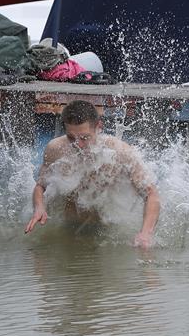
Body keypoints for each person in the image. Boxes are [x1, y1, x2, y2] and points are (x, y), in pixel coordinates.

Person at [24, 100, 161, 248]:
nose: (78, 145)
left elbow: (151, 194)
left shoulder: (120, 152)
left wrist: (145, 233)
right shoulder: (55, 148)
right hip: (69, 227)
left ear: (98, 127)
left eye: (84, 138)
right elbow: (40, 186)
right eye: (71, 138)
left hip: (108, 230)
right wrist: (39, 207)